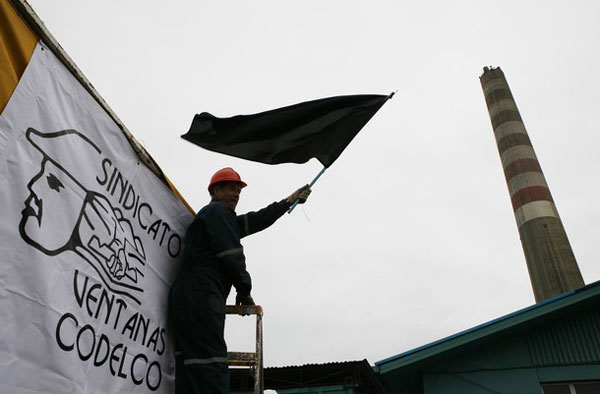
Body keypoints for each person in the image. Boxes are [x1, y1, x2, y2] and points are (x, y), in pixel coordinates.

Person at [169, 167, 311, 394]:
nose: (236, 194)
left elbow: (257, 219)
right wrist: (245, 291)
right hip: (202, 295)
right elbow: (232, 256)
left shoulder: (220, 219)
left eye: (238, 191)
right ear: (216, 190)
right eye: (231, 189)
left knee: (190, 364)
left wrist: (288, 201)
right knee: (212, 363)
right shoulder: (217, 213)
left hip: (188, 298)